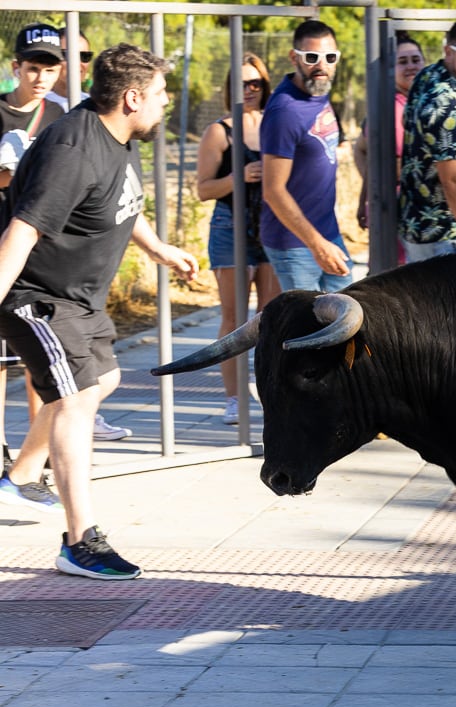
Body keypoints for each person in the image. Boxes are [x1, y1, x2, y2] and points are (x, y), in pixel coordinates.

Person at [0, 43, 198, 579]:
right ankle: (79, 541)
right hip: (37, 295)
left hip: (79, 298)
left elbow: (119, 202)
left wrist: (158, 249)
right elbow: (22, 231)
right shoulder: (74, 150)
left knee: (102, 380)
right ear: (132, 97)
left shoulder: (121, 135)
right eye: (159, 94)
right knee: (78, 396)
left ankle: (20, 476)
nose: (165, 103)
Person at [194, 54, 279, 426]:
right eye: (241, 84)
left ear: (264, 86)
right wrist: (239, 176)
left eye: (255, 83)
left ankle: (274, 392)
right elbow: (202, 189)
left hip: (273, 227)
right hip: (231, 228)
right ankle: (233, 398)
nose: (248, 90)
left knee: (273, 318)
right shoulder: (220, 130)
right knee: (234, 318)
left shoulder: (276, 123)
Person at [1, 24, 68, 468]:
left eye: (49, 68)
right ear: (15, 68)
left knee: (40, 358)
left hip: (42, 252)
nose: (40, 77)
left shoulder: (63, 114)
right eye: (32, 68)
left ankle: (37, 455)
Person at [260, 19, 350, 293]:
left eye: (329, 57)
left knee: (349, 318)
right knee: (308, 330)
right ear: (294, 57)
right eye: (311, 57)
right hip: (296, 243)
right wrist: (316, 244)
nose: (321, 66)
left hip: (327, 232)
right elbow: (273, 191)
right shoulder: (285, 111)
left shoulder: (318, 91)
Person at [399, 18, 456, 261]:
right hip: (449, 235)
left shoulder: (427, 77)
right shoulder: (451, 106)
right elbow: (452, 180)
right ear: (449, 51)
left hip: (419, 226)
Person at [353, 32, 424, 263]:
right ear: (391, 68)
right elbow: (364, 151)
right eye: (403, 62)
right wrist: (372, 194)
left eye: (415, 60)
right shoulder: (388, 108)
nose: (411, 66)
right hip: (395, 213)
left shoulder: (425, 102)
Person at [45, 27, 91, 111]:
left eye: (84, 56)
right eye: (68, 55)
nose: (77, 63)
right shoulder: (37, 105)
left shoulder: (96, 107)